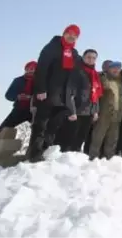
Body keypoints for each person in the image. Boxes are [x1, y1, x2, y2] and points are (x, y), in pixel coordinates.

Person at [28, 24, 81, 162]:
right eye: (69, 33)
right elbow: (42, 69)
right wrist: (41, 89)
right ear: (64, 33)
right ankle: (34, 154)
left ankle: (46, 151)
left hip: (63, 97)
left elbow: (75, 75)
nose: (71, 36)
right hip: (47, 94)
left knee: (53, 127)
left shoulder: (74, 53)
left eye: (75, 35)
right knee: (41, 125)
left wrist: (72, 94)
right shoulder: (52, 48)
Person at [60, 49, 101, 152]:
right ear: (83, 57)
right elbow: (70, 92)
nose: (91, 59)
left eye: (93, 58)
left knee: (81, 138)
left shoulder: (95, 74)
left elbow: (95, 94)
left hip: (89, 112)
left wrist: (95, 111)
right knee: (70, 139)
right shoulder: (77, 71)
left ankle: (76, 159)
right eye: (88, 57)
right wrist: (71, 111)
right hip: (77, 111)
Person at [89, 61, 122, 159]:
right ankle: (93, 157)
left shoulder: (121, 82)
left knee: (112, 138)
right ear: (108, 69)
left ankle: (109, 157)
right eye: (113, 68)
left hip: (117, 114)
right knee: (98, 137)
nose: (116, 70)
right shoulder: (102, 78)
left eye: (118, 68)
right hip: (104, 114)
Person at [0, 61, 37, 131]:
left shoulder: (40, 82)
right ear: (26, 69)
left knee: (40, 129)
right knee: (3, 129)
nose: (31, 70)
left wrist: (31, 98)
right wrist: (18, 97)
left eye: (34, 69)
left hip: (34, 110)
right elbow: (8, 95)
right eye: (30, 68)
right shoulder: (18, 80)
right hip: (19, 109)